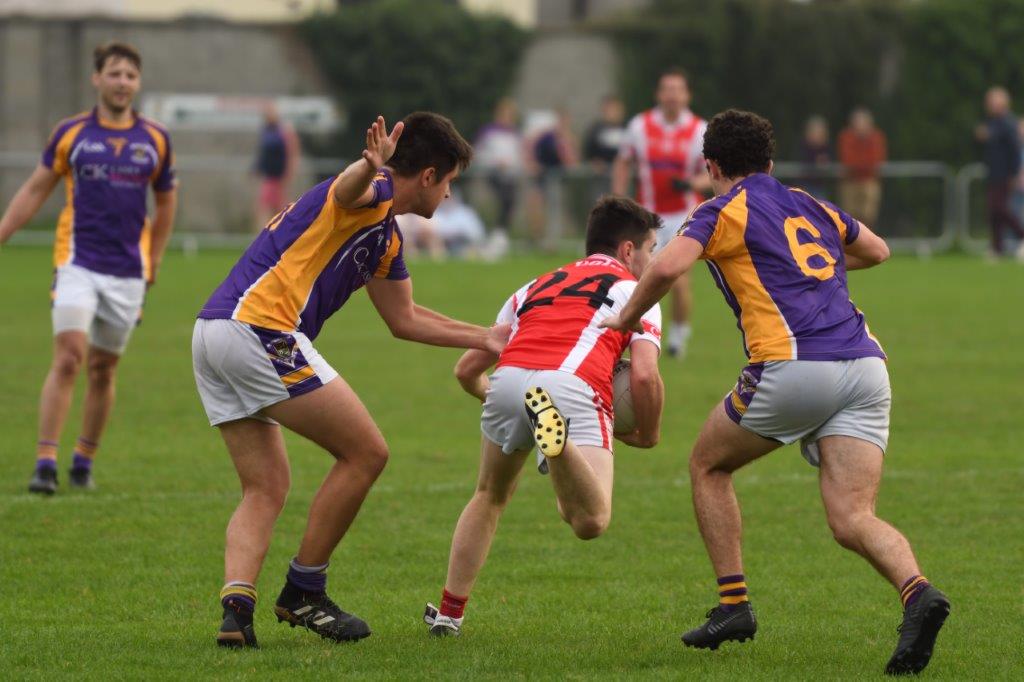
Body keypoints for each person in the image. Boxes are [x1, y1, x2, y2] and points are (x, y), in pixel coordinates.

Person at [601, 110, 949, 676]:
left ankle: (733, 606)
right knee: (852, 516)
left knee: (707, 466)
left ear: (711, 166)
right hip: (865, 365)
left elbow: (666, 268)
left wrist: (625, 320)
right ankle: (918, 593)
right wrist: (817, 273)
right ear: (769, 163)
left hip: (792, 366)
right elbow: (878, 249)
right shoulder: (807, 201)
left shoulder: (719, 211)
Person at [192, 112, 510, 648]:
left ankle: (236, 611)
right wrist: (368, 166)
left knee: (266, 485)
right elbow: (348, 189)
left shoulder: (385, 237)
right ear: (428, 176)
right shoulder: (375, 191)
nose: (451, 196)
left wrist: (486, 337)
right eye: (450, 181)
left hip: (212, 334)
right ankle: (303, 591)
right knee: (367, 452)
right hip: (259, 329)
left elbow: (404, 319)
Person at [423, 196, 665, 637]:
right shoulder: (636, 290)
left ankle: (448, 614)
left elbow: (465, 371)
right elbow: (645, 376)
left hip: (509, 378)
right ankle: (557, 438)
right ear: (629, 251)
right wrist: (647, 434)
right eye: (651, 249)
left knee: (489, 496)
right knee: (590, 520)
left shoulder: (533, 284)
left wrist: (495, 396)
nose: (653, 260)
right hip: (572, 384)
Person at [0, 41, 177, 494]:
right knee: (69, 357)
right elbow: (36, 189)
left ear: (138, 84)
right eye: (114, 73)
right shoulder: (71, 133)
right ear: (96, 79)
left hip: (128, 272)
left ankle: (84, 460)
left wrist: (152, 261)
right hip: (77, 261)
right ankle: (44, 464)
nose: (122, 82)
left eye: (130, 75)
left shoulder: (155, 139)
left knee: (103, 369)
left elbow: (165, 202)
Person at [613, 67, 711, 359]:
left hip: (684, 216)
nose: (671, 95)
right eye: (666, 89)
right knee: (635, 279)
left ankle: (679, 336)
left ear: (687, 95)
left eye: (677, 89)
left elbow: (713, 174)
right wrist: (618, 200)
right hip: (647, 217)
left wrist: (693, 183)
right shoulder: (640, 126)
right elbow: (623, 162)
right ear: (658, 94)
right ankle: (631, 333)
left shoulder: (699, 129)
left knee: (677, 281)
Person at [975, 86, 1024, 259]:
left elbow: (1015, 151)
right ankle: (997, 248)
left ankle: (1021, 236)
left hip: (1005, 175)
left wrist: (1015, 174)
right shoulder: (993, 122)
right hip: (993, 174)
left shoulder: (1008, 124)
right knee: (993, 211)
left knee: (1001, 209)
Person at [475, 98, 524, 252]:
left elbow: (519, 156)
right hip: (493, 174)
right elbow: (479, 153)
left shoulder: (515, 134)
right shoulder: (488, 132)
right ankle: (494, 235)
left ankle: (500, 236)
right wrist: (496, 162)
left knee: (509, 203)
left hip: (510, 176)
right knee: (502, 200)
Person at [252, 102, 301, 231]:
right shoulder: (266, 131)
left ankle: (283, 233)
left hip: (279, 176)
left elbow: (291, 152)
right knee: (265, 206)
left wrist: (288, 173)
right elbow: (263, 153)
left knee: (281, 208)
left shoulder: (284, 131)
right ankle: (266, 234)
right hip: (269, 175)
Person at [837, 108, 886, 226]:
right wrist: (861, 165)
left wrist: (860, 165)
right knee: (849, 217)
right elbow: (848, 160)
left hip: (869, 180)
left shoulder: (876, 137)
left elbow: (875, 160)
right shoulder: (846, 137)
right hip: (850, 181)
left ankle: (866, 242)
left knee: (868, 215)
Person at [583, 95, 628, 196]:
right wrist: (594, 162)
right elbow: (588, 150)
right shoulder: (596, 129)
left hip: (623, 177)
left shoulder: (627, 128)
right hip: (601, 177)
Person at [797, 115, 832, 199]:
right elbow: (802, 163)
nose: (816, 135)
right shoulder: (803, 146)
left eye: (819, 132)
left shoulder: (826, 147)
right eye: (814, 131)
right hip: (804, 186)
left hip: (819, 186)